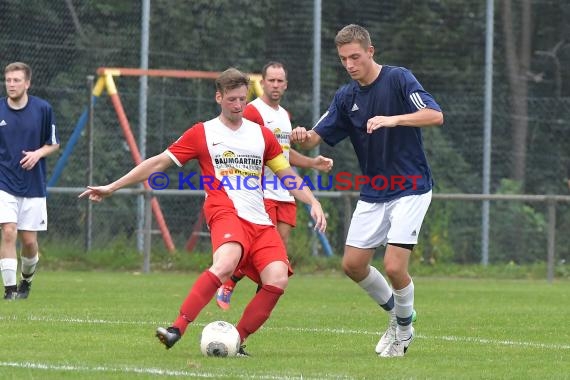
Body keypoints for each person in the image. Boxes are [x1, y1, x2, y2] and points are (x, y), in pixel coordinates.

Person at [79, 68, 327, 356]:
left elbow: (287, 175)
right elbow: (158, 163)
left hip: (260, 219)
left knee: (278, 277)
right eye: (232, 99)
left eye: (242, 99)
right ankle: (175, 329)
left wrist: (313, 201)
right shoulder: (203, 132)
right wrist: (113, 186)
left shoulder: (262, 135)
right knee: (225, 263)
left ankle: (237, 340)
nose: (237, 105)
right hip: (225, 210)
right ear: (218, 97)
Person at [290, 24, 444, 358]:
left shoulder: (399, 79)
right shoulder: (346, 97)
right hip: (375, 191)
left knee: (393, 266)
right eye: (344, 58)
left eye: (355, 56)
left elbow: (434, 114)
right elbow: (316, 136)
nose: (349, 64)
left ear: (370, 52)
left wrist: (393, 119)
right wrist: (300, 135)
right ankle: (398, 315)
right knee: (353, 264)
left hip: (411, 187)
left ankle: (403, 332)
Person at [215, 61, 333, 310]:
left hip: (285, 192)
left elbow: (282, 156)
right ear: (262, 82)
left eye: (280, 81)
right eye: (271, 80)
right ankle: (229, 282)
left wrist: (312, 163)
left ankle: (258, 305)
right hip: (261, 193)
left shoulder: (285, 117)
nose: (276, 85)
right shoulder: (252, 112)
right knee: (260, 250)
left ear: (286, 85)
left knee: (278, 255)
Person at [0, 62, 60, 300]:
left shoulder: (43, 109)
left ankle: (26, 281)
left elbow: (53, 143)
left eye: (16, 80)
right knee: (8, 232)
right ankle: (9, 291)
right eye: (8, 80)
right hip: (4, 183)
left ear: (27, 83)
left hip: (33, 187)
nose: (11, 84)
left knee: (29, 242)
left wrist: (38, 153)